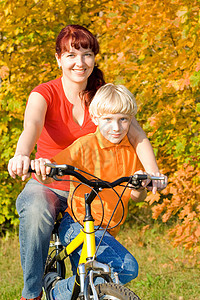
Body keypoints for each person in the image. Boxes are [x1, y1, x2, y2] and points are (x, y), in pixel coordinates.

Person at [8, 25, 163, 300]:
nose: (80, 62)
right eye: (71, 55)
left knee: (105, 259)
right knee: (34, 210)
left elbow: (137, 135)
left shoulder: (103, 95)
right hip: (50, 179)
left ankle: (82, 288)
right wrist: (23, 155)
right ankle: (32, 293)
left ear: (94, 58)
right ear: (58, 58)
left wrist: (152, 173)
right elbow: (31, 126)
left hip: (91, 187)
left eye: (87, 54)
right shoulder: (44, 93)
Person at [32, 83, 167, 300]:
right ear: (95, 119)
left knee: (90, 287)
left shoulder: (131, 153)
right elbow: (51, 170)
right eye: (108, 119)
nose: (117, 127)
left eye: (123, 119)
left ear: (130, 120)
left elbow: (136, 197)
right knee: (127, 268)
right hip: (77, 224)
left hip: (106, 230)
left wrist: (141, 187)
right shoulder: (84, 146)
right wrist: (43, 167)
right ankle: (54, 290)